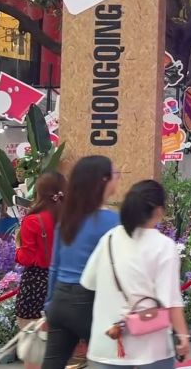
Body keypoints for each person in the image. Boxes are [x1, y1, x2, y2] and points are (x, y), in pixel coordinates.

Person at [81, 179, 190, 367]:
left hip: (107, 344)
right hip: (151, 349)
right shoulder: (164, 246)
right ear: (158, 211)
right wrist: (183, 336)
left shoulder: (109, 238)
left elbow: (89, 282)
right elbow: (171, 301)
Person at [43, 156, 121, 369]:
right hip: (90, 301)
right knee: (112, 361)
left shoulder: (67, 218)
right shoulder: (113, 222)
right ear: (103, 180)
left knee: (53, 363)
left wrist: (49, 304)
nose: (119, 179)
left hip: (60, 299)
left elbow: (54, 265)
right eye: (115, 174)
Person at [15, 171, 65, 369]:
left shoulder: (33, 220)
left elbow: (26, 257)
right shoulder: (71, 219)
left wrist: (17, 249)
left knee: (33, 352)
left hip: (35, 284)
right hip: (63, 285)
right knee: (58, 350)